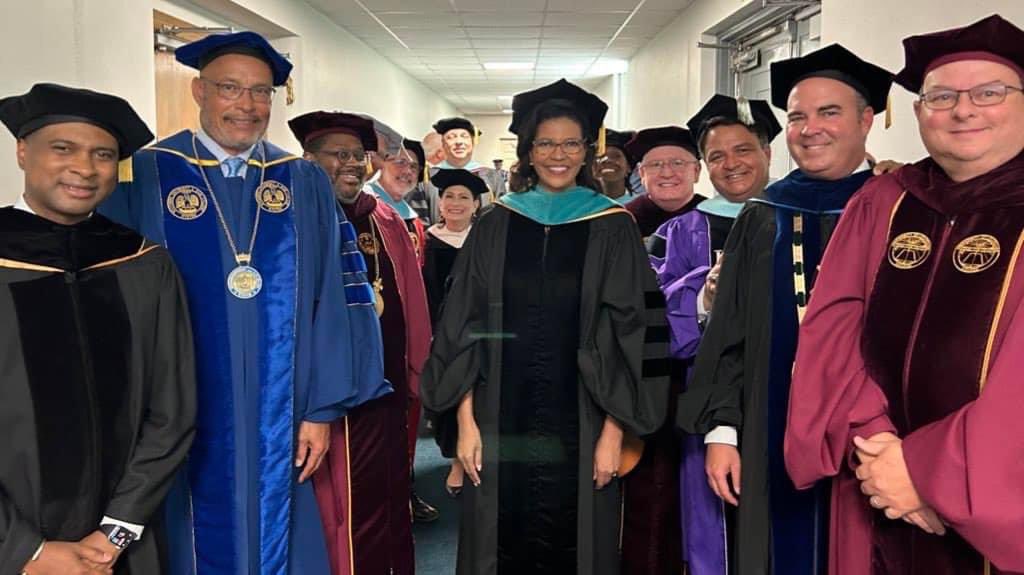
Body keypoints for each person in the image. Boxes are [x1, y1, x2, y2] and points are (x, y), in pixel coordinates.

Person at [99, 32, 388, 574]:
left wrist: (321, 410)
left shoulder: (300, 179)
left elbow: (338, 294)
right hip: (176, 408)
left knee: (280, 528)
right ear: (199, 90)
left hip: (283, 410)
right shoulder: (145, 174)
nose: (247, 105)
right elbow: (111, 303)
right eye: (230, 88)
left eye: (261, 92)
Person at [785, 15, 1024, 575]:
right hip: (875, 481)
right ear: (917, 113)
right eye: (941, 96)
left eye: (989, 92)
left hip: (986, 490)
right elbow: (833, 328)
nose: (963, 110)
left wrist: (922, 471)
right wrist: (872, 440)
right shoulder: (885, 200)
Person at [421, 78, 669, 575]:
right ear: (528, 152)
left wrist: (613, 434)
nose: (559, 154)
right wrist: (465, 425)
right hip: (494, 420)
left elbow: (634, 334)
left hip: (586, 419)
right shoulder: (495, 225)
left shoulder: (613, 226)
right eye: (546, 143)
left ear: (586, 152)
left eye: (571, 142)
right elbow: (463, 328)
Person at [676, 44, 894, 575]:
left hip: (876, 434)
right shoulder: (763, 216)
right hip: (768, 429)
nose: (810, 127)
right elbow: (728, 335)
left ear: (868, 120)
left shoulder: (900, 207)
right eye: (798, 115)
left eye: (829, 112)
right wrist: (722, 434)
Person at [0, 83, 195, 574]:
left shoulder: (144, 263)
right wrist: (26, 550)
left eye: (103, 154)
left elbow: (172, 409)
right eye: (63, 148)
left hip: (121, 541)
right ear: (23, 151)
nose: (85, 168)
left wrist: (117, 529)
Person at [290, 110, 430, 575]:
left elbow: (413, 305)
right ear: (308, 159)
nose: (351, 164)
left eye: (357, 154)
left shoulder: (386, 220)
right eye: (337, 154)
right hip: (317, 398)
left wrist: (418, 376)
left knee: (386, 499)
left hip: (384, 392)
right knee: (332, 510)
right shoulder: (288, 219)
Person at [421, 168, 487, 498]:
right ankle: (451, 454)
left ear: (477, 204)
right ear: (440, 202)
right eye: (449, 196)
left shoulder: (487, 241)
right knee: (442, 390)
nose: (456, 203)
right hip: (435, 329)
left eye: (464, 197)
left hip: (475, 329)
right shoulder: (424, 239)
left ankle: (462, 462)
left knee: (472, 390)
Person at [624, 128, 707, 237]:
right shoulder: (624, 219)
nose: (667, 174)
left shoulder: (715, 217)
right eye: (655, 164)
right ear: (642, 173)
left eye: (678, 163)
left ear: (696, 171)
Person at [433, 117, 498, 207]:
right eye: (451, 137)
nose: (459, 142)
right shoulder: (429, 176)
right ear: (443, 143)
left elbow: (501, 214)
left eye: (464, 136)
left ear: (473, 142)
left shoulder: (492, 176)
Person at [592, 129, 637, 205]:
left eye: (616, 156)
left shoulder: (640, 207)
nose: (607, 160)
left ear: (628, 168)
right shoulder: (578, 206)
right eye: (599, 156)